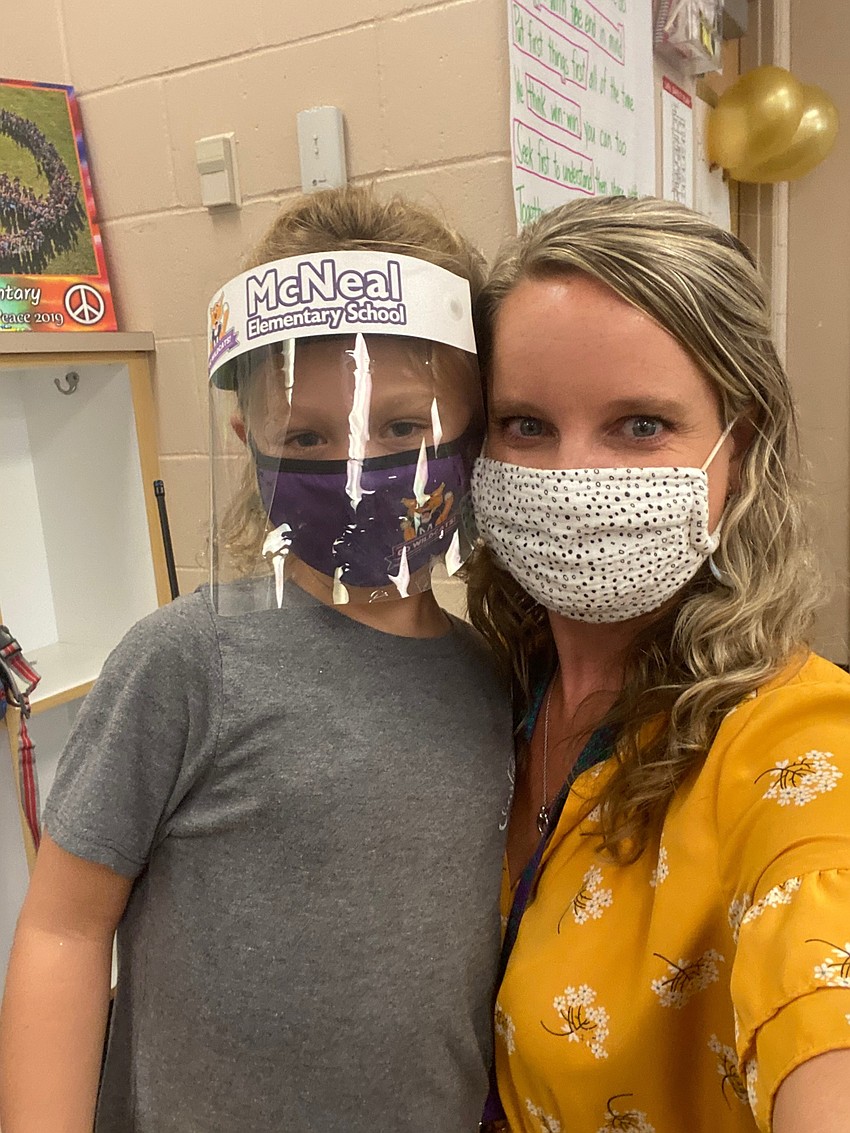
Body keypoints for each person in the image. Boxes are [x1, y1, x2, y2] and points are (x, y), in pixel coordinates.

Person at [0, 186, 514, 1133]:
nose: (357, 467)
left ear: (474, 423)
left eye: (403, 428)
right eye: (307, 437)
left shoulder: (493, 684)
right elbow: (64, 925)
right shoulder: (188, 663)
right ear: (250, 442)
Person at [466, 195, 850, 1133]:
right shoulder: (487, 695)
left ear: (739, 449)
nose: (573, 475)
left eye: (640, 425)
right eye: (525, 424)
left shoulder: (793, 745)